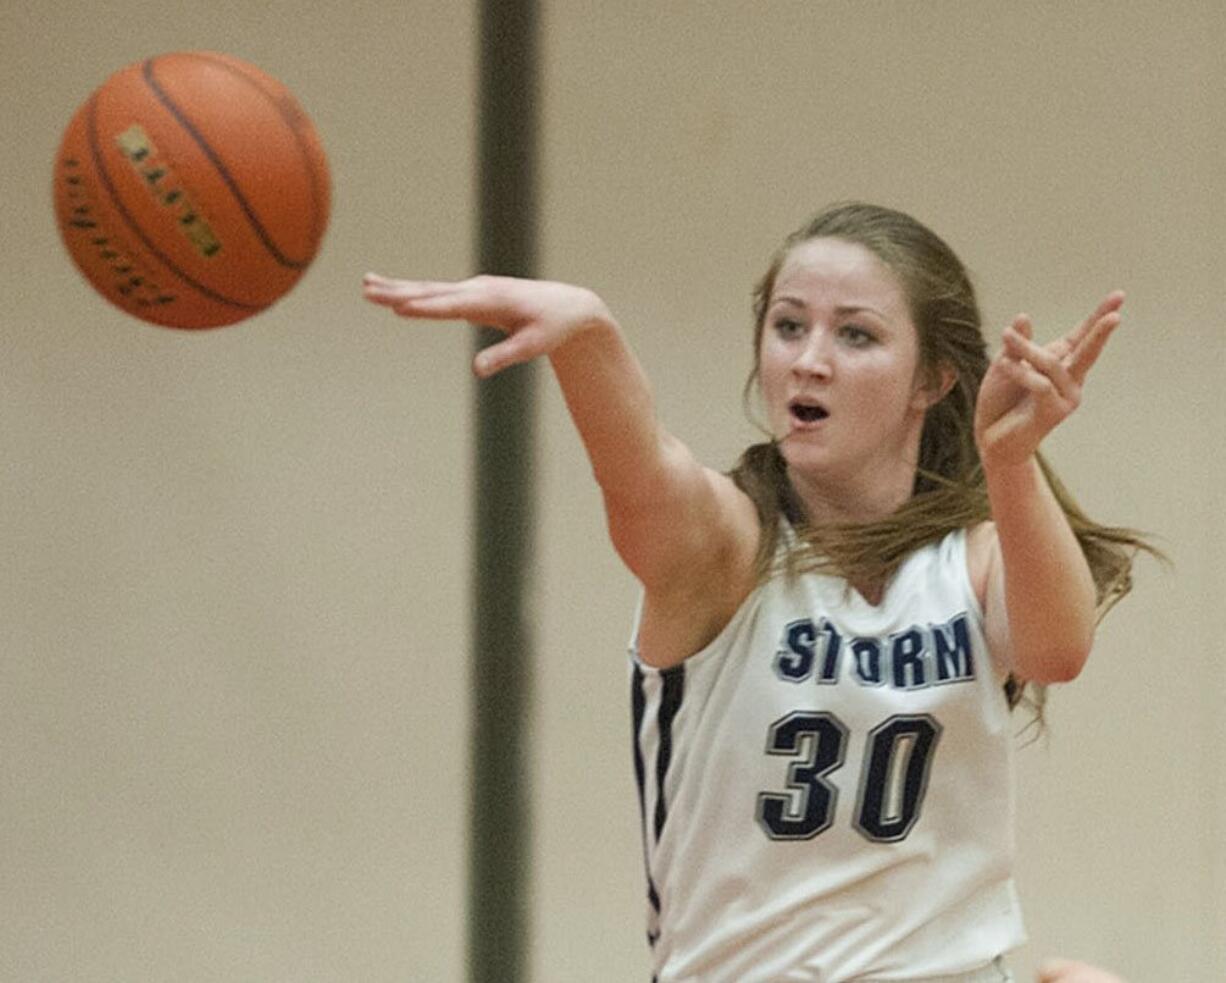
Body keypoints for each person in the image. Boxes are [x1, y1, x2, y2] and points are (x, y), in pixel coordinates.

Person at [363, 202, 1149, 982]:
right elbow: (639, 468)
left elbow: (1056, 649)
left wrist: (1011, 463)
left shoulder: (969, 559)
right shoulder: (725, 546)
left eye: (856, 333)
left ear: (933, 379)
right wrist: (589, 336)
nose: (809, 359)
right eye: (788, 326)